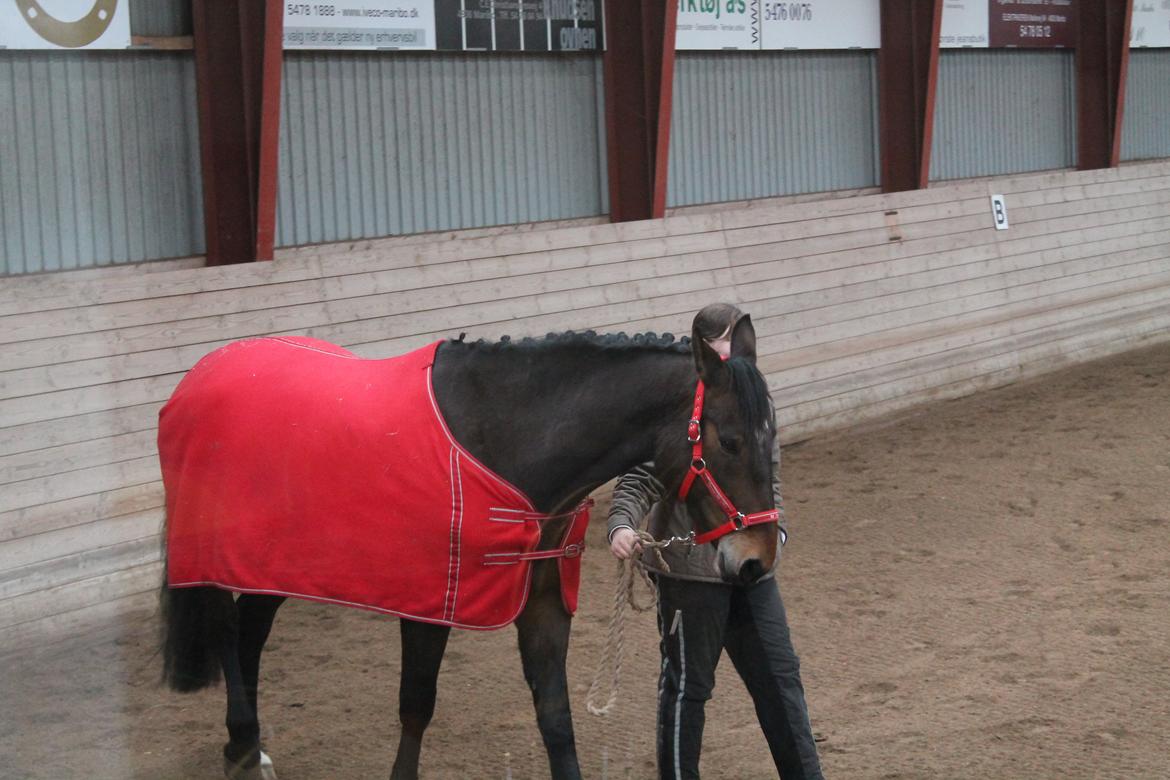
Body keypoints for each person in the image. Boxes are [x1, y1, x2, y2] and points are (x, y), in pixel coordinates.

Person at [607, 303, 824, 780]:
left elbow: (770, 481)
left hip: (752, 565)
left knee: (781, 679)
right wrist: (622, 524)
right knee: (688, 689)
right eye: (728, 344)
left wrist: (776, 532)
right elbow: (640, 477)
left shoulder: (752, 400)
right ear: (707, 349)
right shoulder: (679, 405)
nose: (738, 354)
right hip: (691, 573)